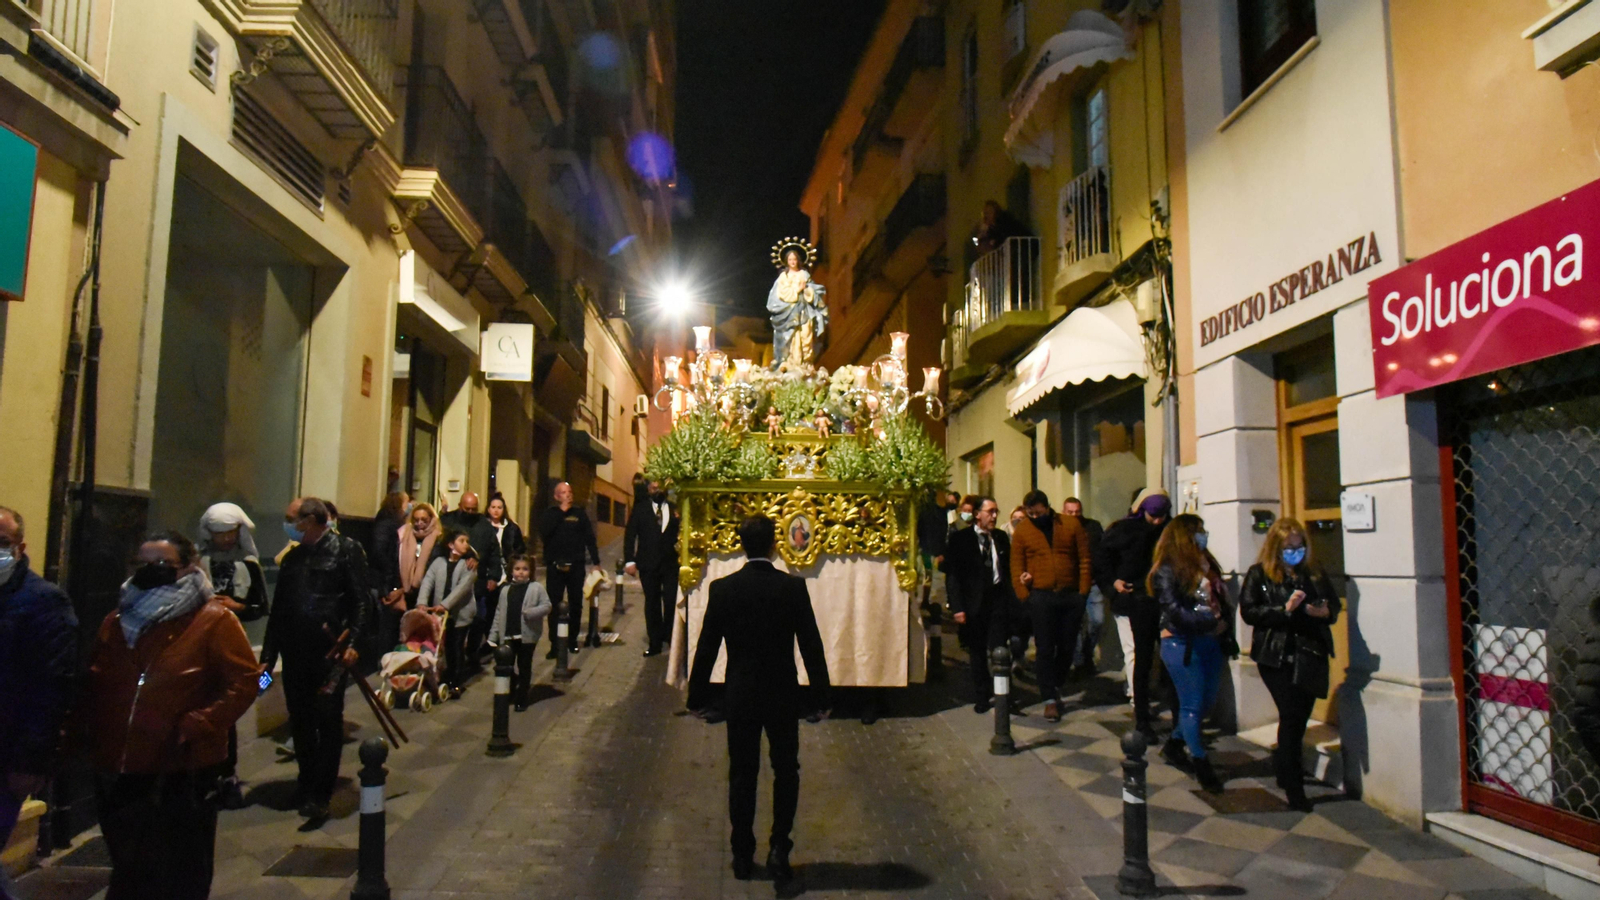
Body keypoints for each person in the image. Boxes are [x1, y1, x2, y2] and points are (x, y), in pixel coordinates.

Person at [84, 532, 258, 900]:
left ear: (188, 568)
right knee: (130, 868)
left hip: (183, 767)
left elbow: (253, 679)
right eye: (143, 564)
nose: (150, 572)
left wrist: (205, 721)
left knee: (181, 871)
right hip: (122, 765)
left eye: (161, 565)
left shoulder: (213, 619)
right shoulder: (116, 620)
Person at [687, 515, 831, 883]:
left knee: (742, 773)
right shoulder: (792, 588)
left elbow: (706, 648)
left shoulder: (723, 589)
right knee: (786, 770)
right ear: (773, 545)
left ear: (742, 545)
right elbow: (811, 646)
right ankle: (780, 847)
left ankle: (741, 853)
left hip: (741, 693)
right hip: (782, 691)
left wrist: (697, 697)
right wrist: (821, 697)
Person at [260, 497, 370, 821]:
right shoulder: (293, 559)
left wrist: (354, 641)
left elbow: (361, 602)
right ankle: (306, 782)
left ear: (310, 521)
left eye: (292, 519)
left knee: (327, 719)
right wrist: (268, 657)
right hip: (295, 653)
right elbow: (279, 611)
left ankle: (322, 792)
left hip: (330, 653)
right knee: (301, 719)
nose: (289, 525)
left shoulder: (346, 550)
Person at [0, 506, 77, 894]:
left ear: (19, 547)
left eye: (1, 543)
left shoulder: (43, 601)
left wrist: (30, 760)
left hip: (8, 751)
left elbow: (51, 686)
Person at [1240, 517, 1339, 811]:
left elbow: (1333, 606)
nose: (1294, 552)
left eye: (1299, 546)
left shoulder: (1314, 573)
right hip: (1276, 654)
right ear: (1276, 547)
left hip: (1309, 653)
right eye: (1288, 547)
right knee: (1292, 715)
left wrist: (1322, 612)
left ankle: (1285, 769)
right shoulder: (1260, 574)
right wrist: (1284, 611)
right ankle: (1294, 787)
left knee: (1297, 718)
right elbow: (1249, 611)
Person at [1149, 514, 1230, 793]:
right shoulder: (1167, 570)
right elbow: (1174, 611)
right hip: (1181, 643)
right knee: (1192, 705)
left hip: (1210, 641)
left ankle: (1173, 744)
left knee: (1206, 702)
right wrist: (1209, 622)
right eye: (1198, 532)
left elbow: (1220, 599)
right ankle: (1201, 762)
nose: (1203, 536)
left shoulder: (1206, 563)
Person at [197, 502, 268, 809]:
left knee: (227, 710)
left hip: (236, 643)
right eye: (219, 533)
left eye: (230, 533)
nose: (225, 540)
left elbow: (260, 606)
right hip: (203, 643)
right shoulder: (199, 562)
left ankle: (227, 774)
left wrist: (237, 607)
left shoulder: (249, 564)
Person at [1009, 490, 1092, 722]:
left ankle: (1055, 683)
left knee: (1067, 646)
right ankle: (1049, 699)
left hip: (1069, 596)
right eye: (1031, 514)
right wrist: (1024, 594)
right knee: (1044, 648)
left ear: (1048, 507)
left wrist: (1082, 592)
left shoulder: (1070, 525)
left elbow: (1084, 558)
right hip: (1041, 596)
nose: (1035, 517)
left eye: (1038, 512)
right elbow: (1016, 564)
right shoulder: (1023, 530)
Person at [1097, 489, 1172, 737]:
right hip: (1135, 600)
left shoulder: (1169, 530)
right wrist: (1113, 584)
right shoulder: (1123, 530)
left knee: (1165, 656)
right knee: (1140, 657)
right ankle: (1141, 715)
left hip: (1163, 600)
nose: (1159, 521)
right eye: (1154, 516)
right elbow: (1103, 561)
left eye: (1162, 515)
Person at [942, 497, 1017, 713]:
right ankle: (982, 695)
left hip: (997, 602)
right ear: (977, 514)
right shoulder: (961, 540)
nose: (994, 516)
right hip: (973, 603)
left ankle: (1004, 695)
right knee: (977, 652)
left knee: (1000, 650)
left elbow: (1007, 570)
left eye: (996, 512)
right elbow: (953, 576)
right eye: (990, 512)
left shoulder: (1000, 538)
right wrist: (957, 608)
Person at [537, 482, 602, 657]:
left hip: (576, 565)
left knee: (575, 604)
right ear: (556, 496)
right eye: (564, 493)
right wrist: (561, 513)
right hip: (555, 566)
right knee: (554, 605)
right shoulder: (550, 514)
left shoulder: (579, 514)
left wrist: (596, 562)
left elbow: (590, 538)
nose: (568, 495)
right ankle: (555, 644)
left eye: (570, 492)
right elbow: (545, 533)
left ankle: (572, 640)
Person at [440, 492, 503, 661]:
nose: (469, 512)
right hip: (452, 579)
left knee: (479, 618)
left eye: (473, 509)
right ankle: (454, 656)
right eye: (466, 508)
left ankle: (472, 651)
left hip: (478, 581)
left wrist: (493, 576)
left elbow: (495, 553)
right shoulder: (449, 521)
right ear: (460, 506)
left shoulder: (484, 525)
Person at [625, 479, 680, 658]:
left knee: (671, 600)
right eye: (654, 487)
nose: (657, 490)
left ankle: (671, 637)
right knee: (652, 602)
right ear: (648, 489)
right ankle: (654, 642)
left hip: (671, 563)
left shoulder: (674, 508)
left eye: (660, 487)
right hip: (648, 563)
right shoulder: (640, 509)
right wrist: (629, 561)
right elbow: (630, 535)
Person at [419, 528, 478, 695]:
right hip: (441, 614)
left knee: (457, 646)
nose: (466, 544)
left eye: (467, 541)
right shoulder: (439, 562)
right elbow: (428, 581)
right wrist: (422, 602)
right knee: (443, 645)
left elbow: (462, 588)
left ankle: (456, 680)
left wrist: (445, 604)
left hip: (461, 613)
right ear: (451, 544)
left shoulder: (468, 565)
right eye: (462, 541)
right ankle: (444, 675)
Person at [488, 555, 552, 710]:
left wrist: (531, 613)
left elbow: (547, 606)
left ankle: (522, 698)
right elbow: (499, 613)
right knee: (506, 665)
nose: (521, 573)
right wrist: (493, 635)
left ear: (530, 571)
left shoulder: (536, 588)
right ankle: (509, 689)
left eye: (525, 569)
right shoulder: (505, 590)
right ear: (511, 571)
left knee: (524, 666)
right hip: (508, 634)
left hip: (527, 636)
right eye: (517, 569)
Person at [1063, 497, 1105, 681]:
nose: (1074, 515)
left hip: (1093, 581)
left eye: (1077, 512)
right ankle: (1079, 662)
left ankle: (1087, 653)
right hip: (1072, 583)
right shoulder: (1060, 529)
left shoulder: (1093, 527)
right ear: (1064, 512)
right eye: (1070, 512)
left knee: (1098, 620)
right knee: (1076, 624)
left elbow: (1102, 551)